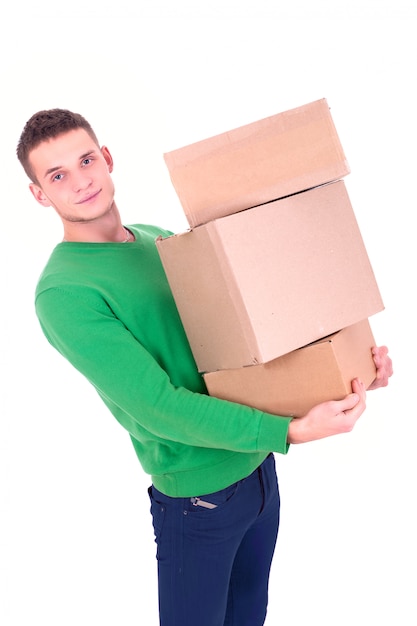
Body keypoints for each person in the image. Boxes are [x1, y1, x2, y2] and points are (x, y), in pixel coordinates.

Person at [16, 109, 393, 626]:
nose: (80, 181)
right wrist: (294, 430)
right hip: (198, 499)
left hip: (258, 470)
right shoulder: (65, 293)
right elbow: (159, 408)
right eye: (57, 175)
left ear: (106, 159)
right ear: (40, 194)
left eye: (86, 160)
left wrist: (345, 368)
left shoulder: (155, 239)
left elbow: (244, 339)